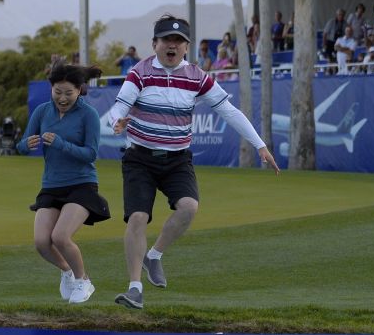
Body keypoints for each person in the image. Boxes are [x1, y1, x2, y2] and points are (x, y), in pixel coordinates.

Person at [104, 15, 280, 311]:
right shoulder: (139, 72)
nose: (172, 45)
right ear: (155, 44)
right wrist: (117, 121)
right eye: (166, 40)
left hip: (177, 159)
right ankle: (135, 288)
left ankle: (155, 256)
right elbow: (119, 106)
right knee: (137, 218)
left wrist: (260, 145)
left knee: (189, 208)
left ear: (186, 47)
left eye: (178, 41)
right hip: (140, 158)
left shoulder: (197, 76)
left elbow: (229, 111)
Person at [16, 63, 110, 305]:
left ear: (79, 90)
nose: (63, 98)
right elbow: (22, 145)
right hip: (51, 184)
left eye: (69, 93)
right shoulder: (41, 111)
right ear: (51, 88)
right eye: (58, 92)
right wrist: (28, 144)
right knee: (41, 242)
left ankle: (83, 281)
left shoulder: (88, 115)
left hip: (82, 184)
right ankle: (67, 271)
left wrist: (60, 144)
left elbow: (90, 154)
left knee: (60, 236)